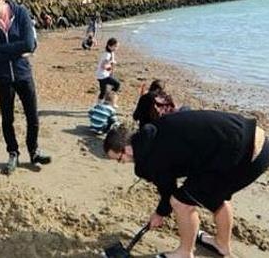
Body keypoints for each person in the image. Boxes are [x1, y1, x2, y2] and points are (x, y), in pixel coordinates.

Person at [104, 111, 269, 258]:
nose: (122, 163)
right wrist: (161, 211)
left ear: (128, 149)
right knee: (215, 195)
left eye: (119, 159)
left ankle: (184, 253)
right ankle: (221, 245)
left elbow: (168, 191)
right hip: (255, 140)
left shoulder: (150, 157)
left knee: (181, 202)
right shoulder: (152, 131)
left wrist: (159, 214)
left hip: (245, 154)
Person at [0, 0, 51, 175]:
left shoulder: (21, 13)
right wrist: (15, 50)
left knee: (32, 116)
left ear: (2, 0)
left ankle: (34, 151)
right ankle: (13, 153)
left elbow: (29, 43)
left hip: (23, 74)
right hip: (2, 77)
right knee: (7, 118)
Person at [95, 37, 120, 103]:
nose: (116, 48)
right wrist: (110, 67)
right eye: (115, 46)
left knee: (103, 91)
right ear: (109, 46)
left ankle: (101, 102)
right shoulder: (107, 55)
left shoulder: (111, 53)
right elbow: (103, 65)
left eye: (117, 46)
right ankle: (110, 99)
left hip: (102, 75)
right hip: (102, 76)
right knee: (117, 84)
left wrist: (111, 67)